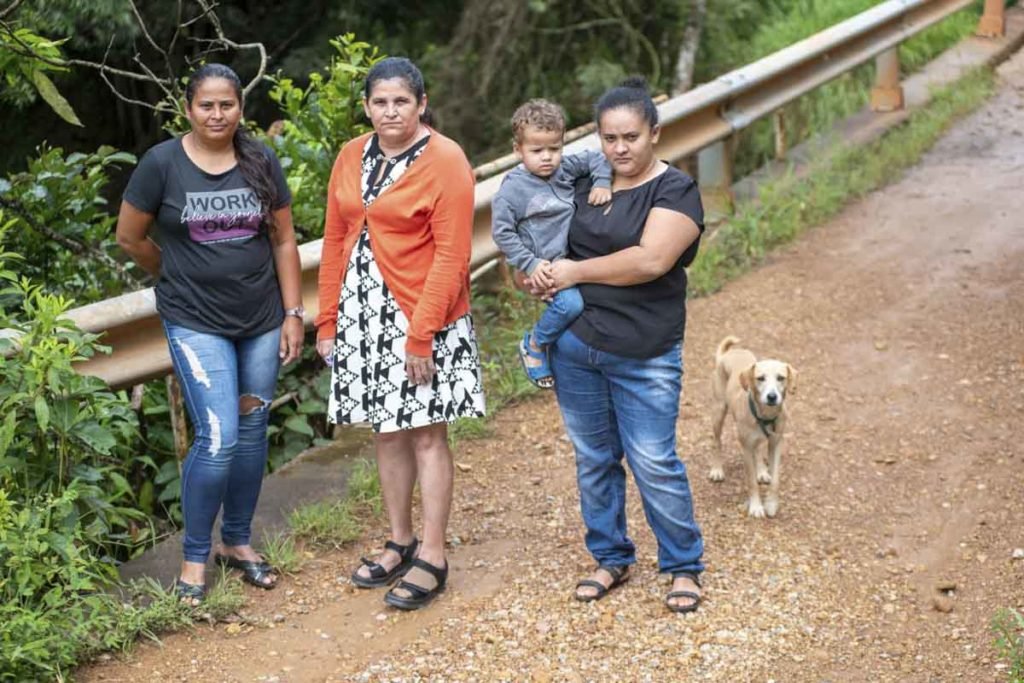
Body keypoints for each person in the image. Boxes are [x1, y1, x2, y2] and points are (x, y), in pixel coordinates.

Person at [116, 64, 304, 605]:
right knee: (218, 438)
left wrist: (293, 312)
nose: (217, 115)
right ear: (188, 108)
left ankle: (237, 543)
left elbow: (285, 240)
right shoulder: (161, 164)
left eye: (227, 105)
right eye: (207, 105)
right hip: (195, 320)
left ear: (240, 108)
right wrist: (173, 269)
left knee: (251, 434)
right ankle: (195, 557)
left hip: (262, 319)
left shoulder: (260, 159)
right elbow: (130, 237)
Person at [530, 77, 706, 613]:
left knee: (653, 459)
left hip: (645, 351)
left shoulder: (674, 190)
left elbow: (651, 260)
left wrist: (574, 271)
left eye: (631, 136)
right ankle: (610, 557)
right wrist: (536, 273)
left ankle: (682, 565)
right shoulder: (583, 187)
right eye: (609, 138)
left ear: (655, 132)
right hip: (577, 347)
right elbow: (545, 248)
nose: (620, 148)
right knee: (594, 460)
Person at [315, 57, 485, 611]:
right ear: (367, 106)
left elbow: (453, 254)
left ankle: (433, 555)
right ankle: (400, 540)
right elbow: (336, 239)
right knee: (386, 432)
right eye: (380, 102)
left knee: (427, 433)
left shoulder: (445, 160)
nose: (390, 111)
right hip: (363, 314)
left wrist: (421, 335)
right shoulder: (351, 155)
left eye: (401, 102)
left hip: (421, 313)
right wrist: (328, 318)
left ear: (421, 103)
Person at [491, 99, 612, 390]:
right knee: (571, 303)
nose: (547, 157)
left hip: (573, 258)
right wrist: (530, 264)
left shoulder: (565, 169)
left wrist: (602, 182)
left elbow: (598, 158)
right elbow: (502, 233)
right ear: (518, 150)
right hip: (544, 267)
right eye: (537, 150)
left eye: (554, 148)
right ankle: (535, 343)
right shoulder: (512, 190)